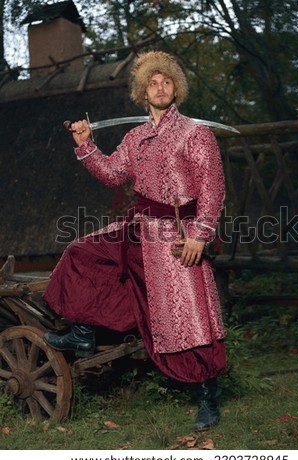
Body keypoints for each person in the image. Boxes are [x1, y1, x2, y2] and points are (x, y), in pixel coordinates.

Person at [43, 50, 227, 431]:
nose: (160, 87)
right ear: (143, 92)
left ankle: (207, 397)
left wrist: (200, 236)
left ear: (177, 87)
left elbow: (213, 189)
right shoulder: (136, 137)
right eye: (153, 83)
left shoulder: (196, 134)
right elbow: (112, 173)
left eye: (167, 81)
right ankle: (82, 333)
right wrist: (85, 144)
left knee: (189, 317)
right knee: (82, 252)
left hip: (179, 234)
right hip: (138, 227)